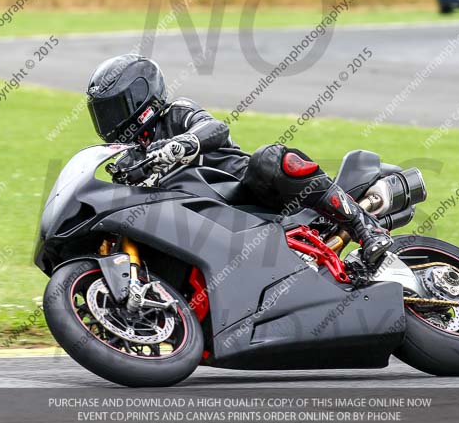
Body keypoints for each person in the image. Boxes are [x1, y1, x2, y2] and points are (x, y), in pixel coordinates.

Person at [86, 54, 392, 266]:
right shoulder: (129, 159)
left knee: (270, 158)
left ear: (141, 97)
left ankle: (365, 227)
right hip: (199, 225)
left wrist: (182, 144)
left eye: (114, 109)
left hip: (243, 194)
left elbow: (215, 129)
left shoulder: (176, 113)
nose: (109, 121)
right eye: (102, 114)